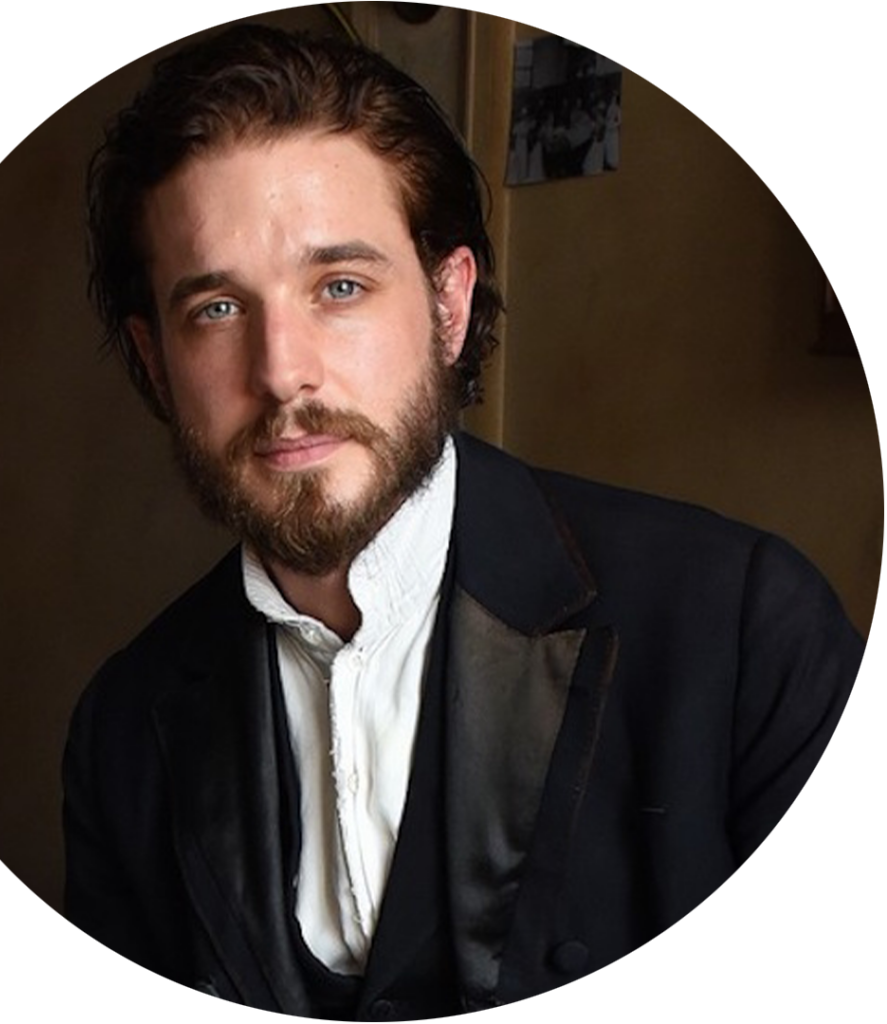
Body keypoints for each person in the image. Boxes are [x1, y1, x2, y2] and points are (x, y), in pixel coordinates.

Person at [64, 24, 863, 1018]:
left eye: (340, 287)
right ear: (153, 361)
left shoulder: (747, 631)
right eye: (216, 309)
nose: (281, 372)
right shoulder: (121, 728)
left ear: (448, 305)